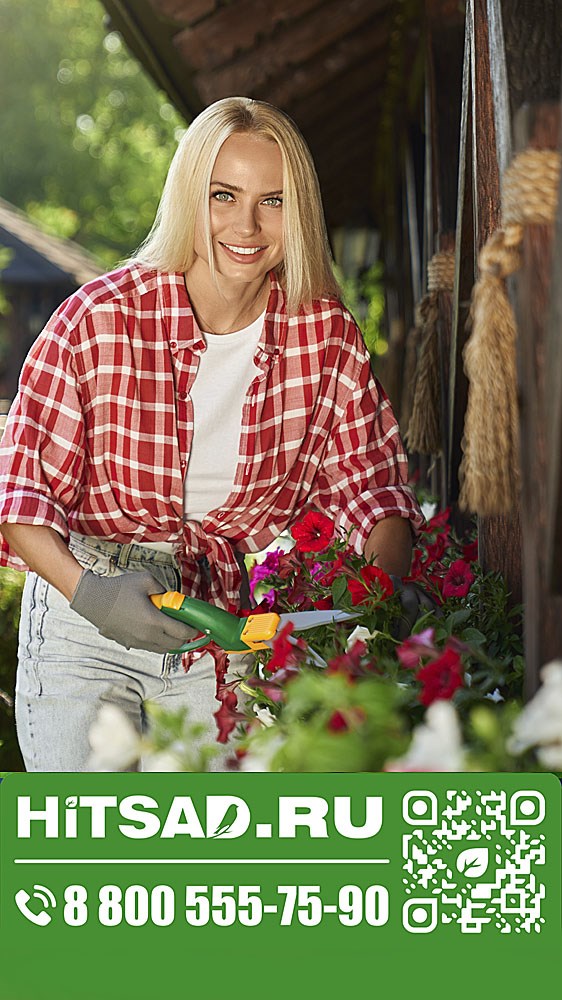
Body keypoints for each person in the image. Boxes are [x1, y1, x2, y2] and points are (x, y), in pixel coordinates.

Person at [0, 96, 423, 772]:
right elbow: (19, 496)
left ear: (299, 212)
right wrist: (91, 595)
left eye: (274, 200)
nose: (246, 225)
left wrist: (365, 611)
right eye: (223, 194)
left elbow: (376, 494)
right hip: (86, 614)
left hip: (215, 621)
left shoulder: (323, 336)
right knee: (89, 850)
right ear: (188, 194)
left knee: (205, 849)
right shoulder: (98, 319)